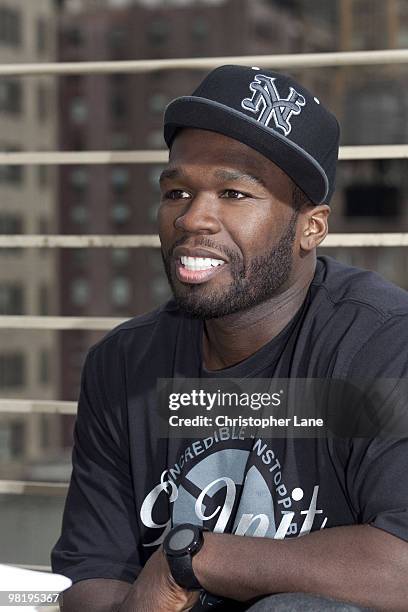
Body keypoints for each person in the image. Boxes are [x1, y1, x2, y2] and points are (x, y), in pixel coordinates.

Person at [51, 65, 408, 612]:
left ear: (311, 227)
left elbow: (399, 567)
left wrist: (193, 557)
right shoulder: (124, 367)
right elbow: (89, 578)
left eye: (234, 192)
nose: (195, 217)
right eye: (177, 191)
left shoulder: (377, 347)